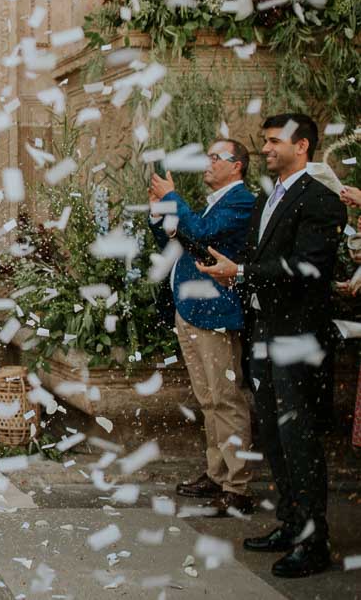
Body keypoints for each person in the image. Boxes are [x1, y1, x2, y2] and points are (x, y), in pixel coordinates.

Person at [199, 113, 347, 579]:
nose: (264, 149)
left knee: (300, 440)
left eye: (273, 141)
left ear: (301, 146)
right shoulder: (269, 197)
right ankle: (288, 523)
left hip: (299, 338)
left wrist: (240, 274)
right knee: (277, 439)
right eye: (264, 142)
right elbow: (259, 256)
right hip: (265, 332)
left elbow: (305, 268)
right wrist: (237, 270)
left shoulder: (322, 201)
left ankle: (313, 541)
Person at [147, 140, 256, 515]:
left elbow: (206, 234)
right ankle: (216, 472)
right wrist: (160, 214)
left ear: (237, 166)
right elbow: (176, 240)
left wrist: (175, 197)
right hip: (189, 308)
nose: (207, 163)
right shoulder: (213, 203)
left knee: (226, 398)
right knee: (207, 399)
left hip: (215, 312)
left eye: (215, 157)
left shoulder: (241, 200)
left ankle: (238, 485)